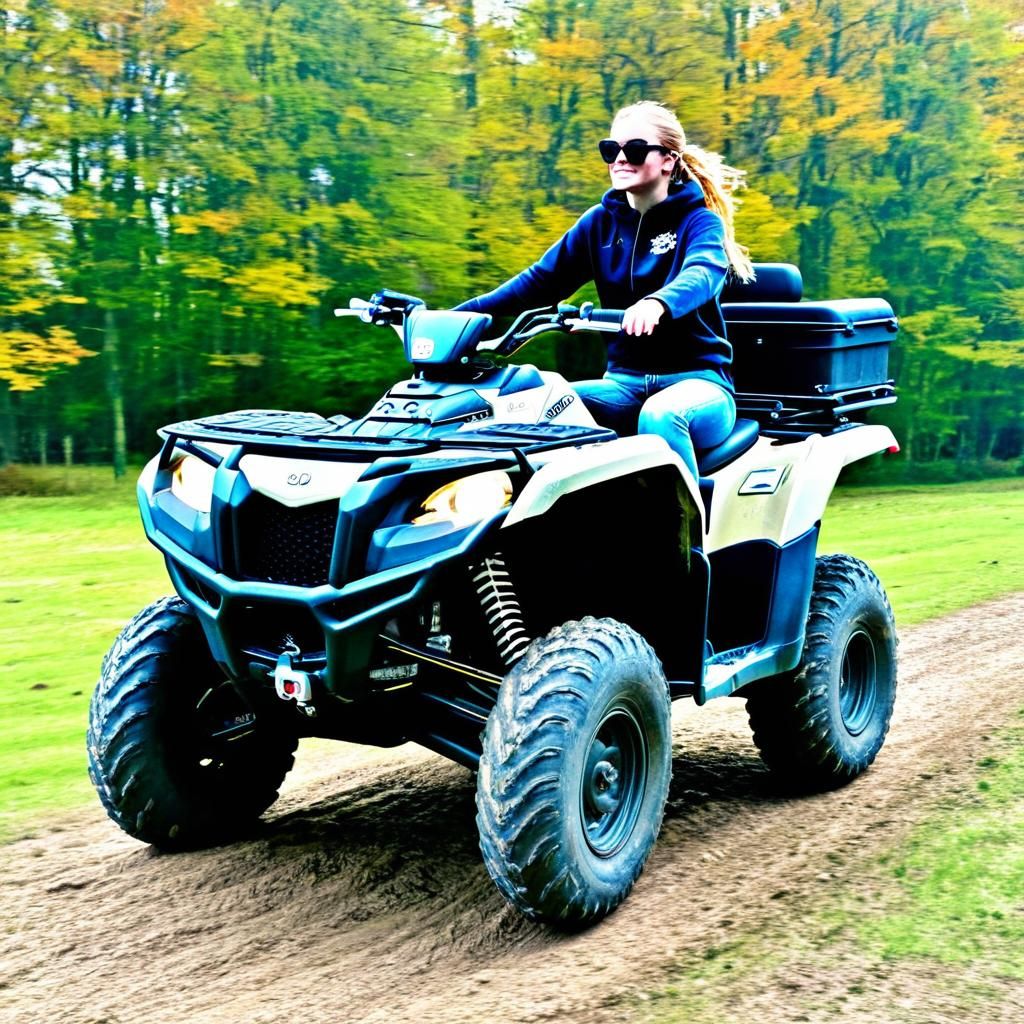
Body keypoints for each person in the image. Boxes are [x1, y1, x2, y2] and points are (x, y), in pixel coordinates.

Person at [455, 100, 754, 479]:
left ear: (668, 160)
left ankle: (683, 518)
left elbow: (703, 272)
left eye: (635, 149)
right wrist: (456, 318)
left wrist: (658, 303)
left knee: (662, 415)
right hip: (623, 385)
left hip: (698, 385)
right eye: (611, 149)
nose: (620, 159)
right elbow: (538, 283)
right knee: (538, 406)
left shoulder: (699, 222)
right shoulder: (598, 224)